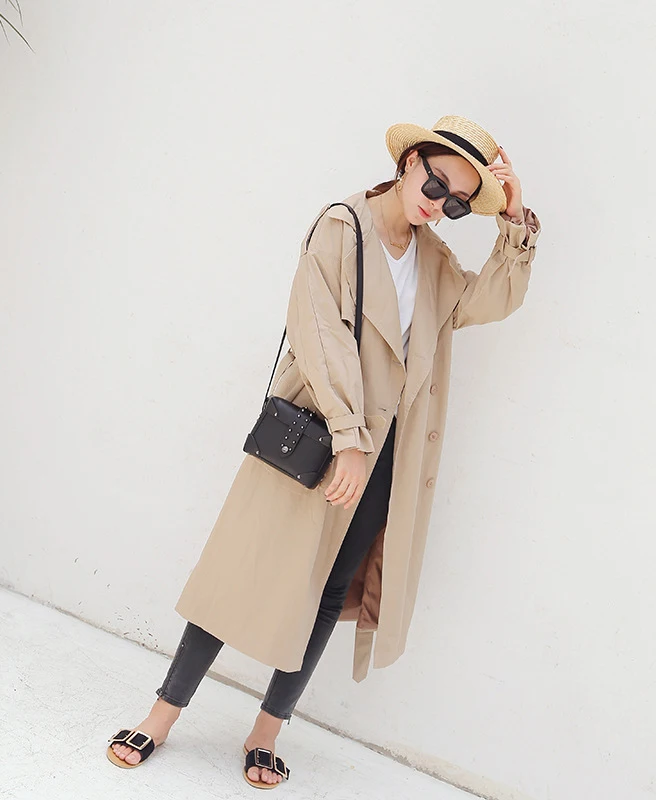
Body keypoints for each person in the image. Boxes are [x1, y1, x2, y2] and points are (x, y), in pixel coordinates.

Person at [106, 115, 542, 788]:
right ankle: (161, 716)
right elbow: (319, 333)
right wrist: (348, 438)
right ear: (411, 161)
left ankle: (266, 732)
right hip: (318, 436)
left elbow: (487, 303)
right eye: (436, 184)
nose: (439, 204)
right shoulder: (343, 226)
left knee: (329, 589)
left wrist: (513, 220)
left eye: (458, 203)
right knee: (243, 570)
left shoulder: (433, 260)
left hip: (385, 452)